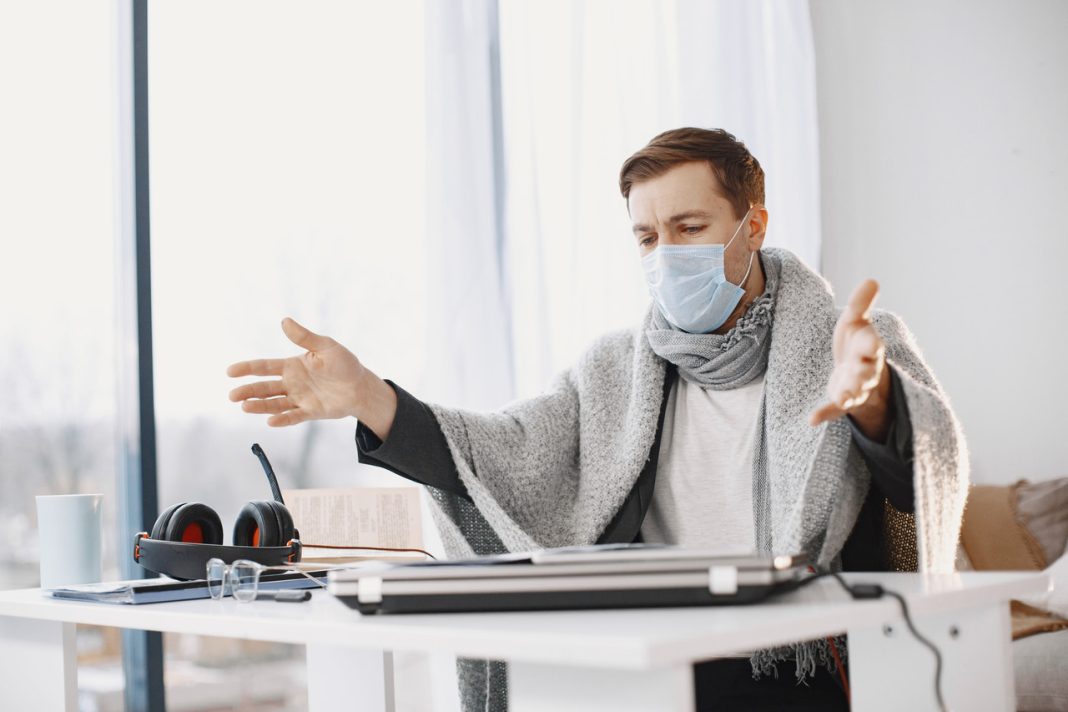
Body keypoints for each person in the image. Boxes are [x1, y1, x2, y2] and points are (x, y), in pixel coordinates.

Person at [227, 128, 968, 711]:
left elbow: (923, 463)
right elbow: (505, 451)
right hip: (643, 654)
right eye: (648, 238)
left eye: (688, 226)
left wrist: (870, 397)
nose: (666, 253)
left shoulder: (850, 341)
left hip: (793, 666)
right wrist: (370, 399)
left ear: (753, 225)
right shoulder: (616, 368)